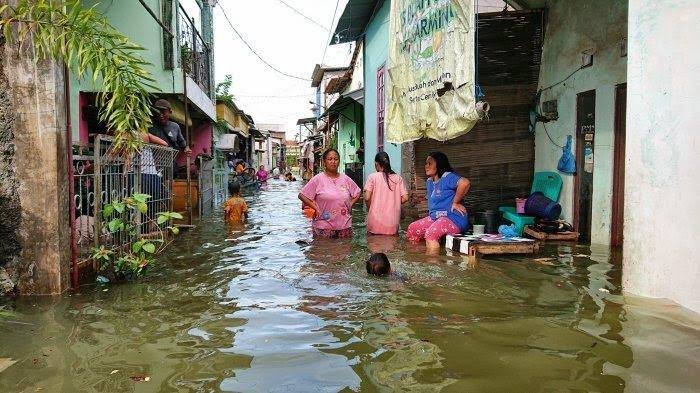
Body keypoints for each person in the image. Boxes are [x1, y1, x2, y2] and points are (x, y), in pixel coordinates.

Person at [407, 151, 471, 251]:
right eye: (426, 163)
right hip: (436, 219)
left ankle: (434, 262)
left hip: (453, 219)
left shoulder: (447, 177)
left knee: (430, 234)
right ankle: (419, 257)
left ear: (439, 165)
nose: (426, 166)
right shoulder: (429, 182)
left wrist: (455, 202)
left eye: (430, 163)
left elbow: (465, 183)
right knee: (413, 229)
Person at [298, 148, 361, 238]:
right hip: (323, 226)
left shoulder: (345, 179)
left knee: (344, 250)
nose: (333, 162)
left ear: (339, 162)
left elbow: (358, 192)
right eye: (330, 159)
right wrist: (315, 207)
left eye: (336, 159)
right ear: (324, 162)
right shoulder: (318, 179)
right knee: (324, 250)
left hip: (344, 225)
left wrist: (350, 204)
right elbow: (302, 195)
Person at [364, 152, 408, 235]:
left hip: (375, 222)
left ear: (376, 164)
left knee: (374, 246)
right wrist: (395, 202)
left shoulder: (372, 177)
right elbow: (405, 198)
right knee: (391, 246)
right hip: (392, 223)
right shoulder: (398, 178)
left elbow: (367, 197)